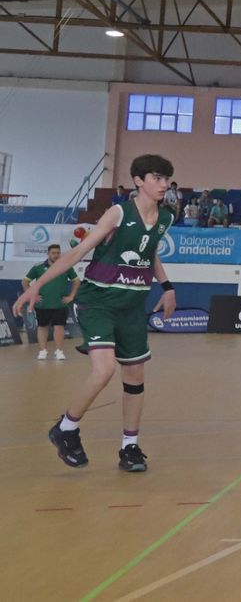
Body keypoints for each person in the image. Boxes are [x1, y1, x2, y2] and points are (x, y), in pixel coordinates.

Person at [14, 154, 178, 472]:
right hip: (98, 301)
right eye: (156, 178)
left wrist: (167, 286)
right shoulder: (118, 213)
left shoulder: (166, 217)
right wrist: (37, 283)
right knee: (104, 371)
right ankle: (66, 428)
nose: (163, 184)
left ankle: (129, 447)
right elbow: (78, 251)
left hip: (132, 305)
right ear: (139, 181)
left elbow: (150, 251)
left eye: (167, 179)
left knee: (135, 376)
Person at [22, 244, 79, 361]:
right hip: (43, 304)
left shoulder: (66, 266)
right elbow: (25, 281)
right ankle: (42, 351)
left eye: (58, 253)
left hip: (60, 303)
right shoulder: (38, 267)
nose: (56, 255)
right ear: (48, 254)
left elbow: (77, 281)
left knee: (59, 327)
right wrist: (32, 295)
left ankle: (59, 351)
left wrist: (71, 296)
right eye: (53, 253)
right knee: (42, 327)